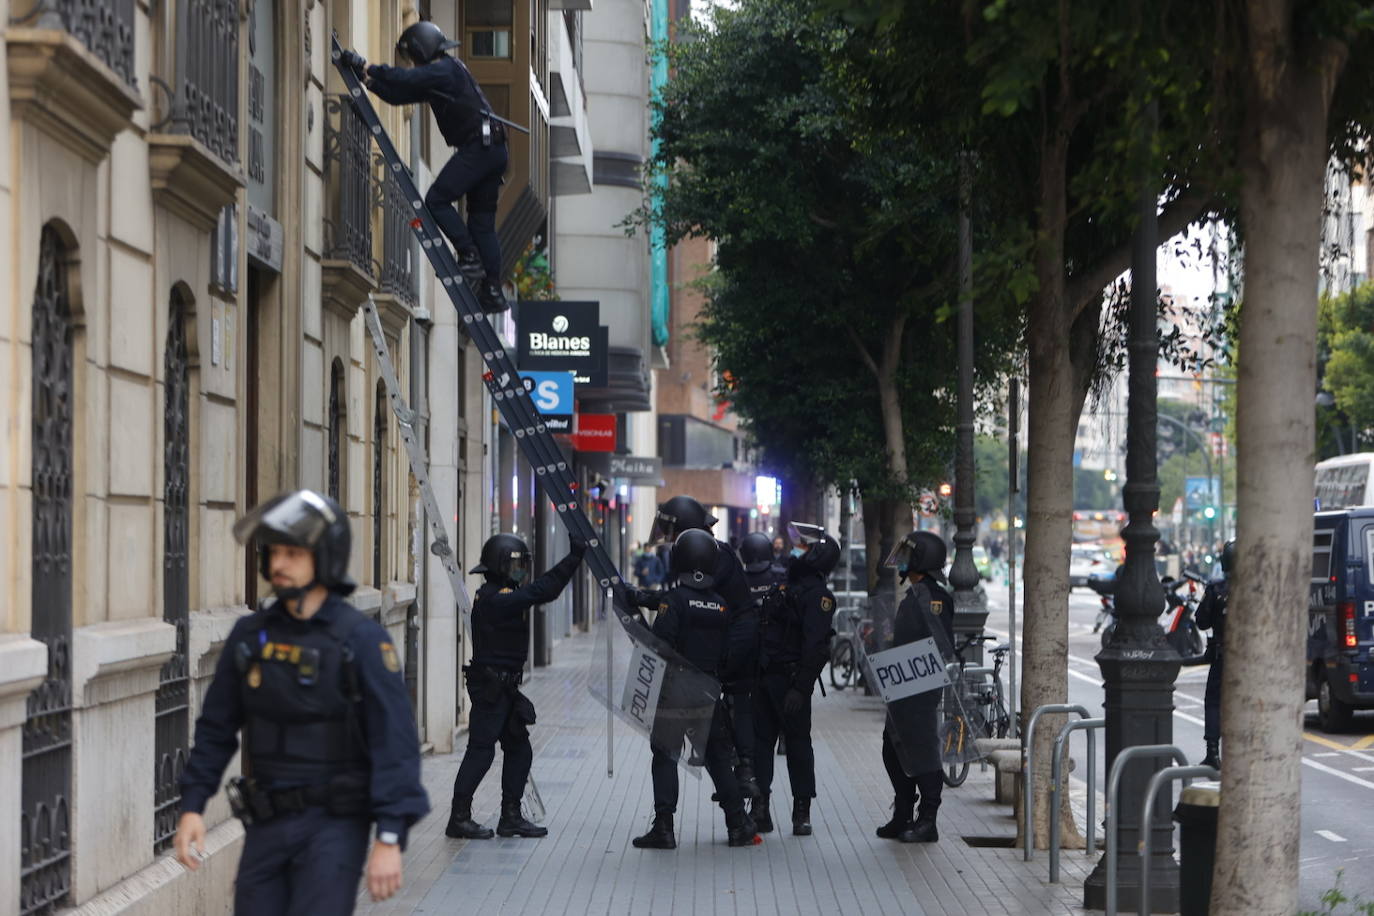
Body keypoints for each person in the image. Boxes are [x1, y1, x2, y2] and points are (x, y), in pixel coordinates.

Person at [174, 490, 429, 913]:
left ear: (325, 557)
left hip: (333, 828)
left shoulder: (361, 642)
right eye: (273, 553)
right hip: (266, 824)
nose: (277, 564)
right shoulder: (251, 637)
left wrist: (389, 836)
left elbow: (395, 745)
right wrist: (193, 806)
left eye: (292, 553)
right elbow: (216, 728)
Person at [339, 23, 510, 313]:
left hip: (480, 147)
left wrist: (368, 65)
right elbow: (400, 94)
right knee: (481, 222)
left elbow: (407, 78)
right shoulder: (443, 77)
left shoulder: (446, 69)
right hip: (491, 149)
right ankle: (493, 290)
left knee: (437, 200)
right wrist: (369, 81)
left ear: (422, 50)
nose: (414, 64)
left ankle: (469, 255)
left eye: (414, 58)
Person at [445, 532, 586, 839]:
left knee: (519, 749)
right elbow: (543, 591)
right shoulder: (496, 598)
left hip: (505, 689)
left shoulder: (504, 593)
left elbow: (536, 591)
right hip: (492, 688)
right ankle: (459, 818)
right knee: (481, 752)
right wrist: (573, 558)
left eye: (523, 563)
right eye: (516, 563)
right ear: (499, 565)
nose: (521, 569)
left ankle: (511, 816)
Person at [632, 529, 757, 850]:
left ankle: (664, 827)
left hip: (675, 691)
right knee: (717, 757)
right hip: (708, 691)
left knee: (665, 756)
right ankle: (738, 824)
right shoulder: (721, 606)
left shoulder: (673, 603)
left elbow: (660, 646)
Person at [751, 521, 838, 837]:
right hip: (766, 678)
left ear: (816, 556)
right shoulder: (784, 586)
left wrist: (801, 687)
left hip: (791, 682)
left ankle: (802, 811)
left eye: (803, 546)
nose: (794, 549)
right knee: (761, 744)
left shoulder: (818, 597)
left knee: (799, 746)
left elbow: (816, 647)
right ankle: (759, 807)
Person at [875, 530, 955, 843]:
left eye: (910, 555)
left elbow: (940, 645)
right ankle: (903, 813)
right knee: (893, 749)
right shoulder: (915, 593)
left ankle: (928, 820)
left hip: (920, 686)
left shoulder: (934, 597)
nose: (903, 560)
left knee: (922, 752)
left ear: (922, 559)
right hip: (901, 683)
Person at [727, 531, 784, 799]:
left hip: (743, 661)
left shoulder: (737, 580)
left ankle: (746, 768)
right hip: (778, 663)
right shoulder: (781, 577)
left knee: (744, 716)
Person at [1195, 539, 1233, 770]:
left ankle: (1213, 752)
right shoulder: (1256, 587)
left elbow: (1201, 621)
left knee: (1214, 702)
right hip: (1249, 659)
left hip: (1223, 655)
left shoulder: (1216, 589)